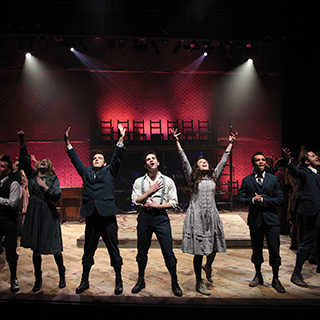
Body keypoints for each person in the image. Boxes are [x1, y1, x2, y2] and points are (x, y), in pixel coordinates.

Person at [171, 128, 237, 295]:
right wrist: (177, 141)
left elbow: (223, 160)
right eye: (201, 162)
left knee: (213, 247)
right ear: (197, 167)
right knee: (199, 251)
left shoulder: (214, 175)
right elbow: (184, 160)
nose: (204, 162)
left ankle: (208, 266)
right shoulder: (192, 178)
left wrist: (230, 143)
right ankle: (199, 282)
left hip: (212, 215)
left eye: (206, 161)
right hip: (196, 215)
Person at [65, 125, 125, 295]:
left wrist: (121, 138)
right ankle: (85, 281)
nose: (96, 159)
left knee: (113, 250)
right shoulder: (86, 172)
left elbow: (117, 157)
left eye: (99, 158)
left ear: (104, 162)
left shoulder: (109, 171)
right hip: (91, 216)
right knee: (88, 251)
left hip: (107, 217)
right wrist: (68, 143)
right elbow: (75, 160)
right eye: (95, 158)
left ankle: (118, 279)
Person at [18, 129, 64, 292]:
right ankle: (38, 279)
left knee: (54, 246)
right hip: (34, 213)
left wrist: (45, 187)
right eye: (41, 161)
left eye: (46, 161)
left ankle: (62, 274)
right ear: (37, 165)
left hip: (48, 213)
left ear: (50, 167)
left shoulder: (52, 179)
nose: (43, 161)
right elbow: (24, 161)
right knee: (36, 249)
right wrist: (22, 141)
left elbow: (56, 195)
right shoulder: (31, 176)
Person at [131, 150, 183, 296]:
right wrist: (150, 191)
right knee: (142, 251)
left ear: (158, 162)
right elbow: (135, 200)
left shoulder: (168, 181)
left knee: (168, 251)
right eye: (148, 159)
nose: (151, 161)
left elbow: (174, 202)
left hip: (161, 217)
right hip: (145, 217)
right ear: (145, 164)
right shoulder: (139, 181)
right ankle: (141, 280)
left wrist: (158, 206)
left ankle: (175, 281)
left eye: (153, 158)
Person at [238, 151, 285, 293]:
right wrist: (252, 200)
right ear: (253, 163)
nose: (261, 162)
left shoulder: (273, 179)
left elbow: (280, 199)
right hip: (255, 220)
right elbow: (240, 199)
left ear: (266, 162)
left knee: (274, 249)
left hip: (271, 220)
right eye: (258, 160)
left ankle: (276, 278)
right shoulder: (247, 180)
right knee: (256, 249)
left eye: (263, 160)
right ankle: (258, 275)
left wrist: (263, 200)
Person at [283, 148, 320, 287]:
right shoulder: (304, 172)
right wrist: (288, 160)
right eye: (312, 155)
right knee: (308, 242)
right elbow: (295, 172)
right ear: (306, 161)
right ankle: (296, 273)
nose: (316, 156)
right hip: (312, 211)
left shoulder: (318, 173)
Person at [0, 155, 22, 292]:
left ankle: (13, 278)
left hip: (8, 221)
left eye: (2, 166)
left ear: (8, 170)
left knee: (10, 250)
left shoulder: (13, 184)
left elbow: (12, 203)